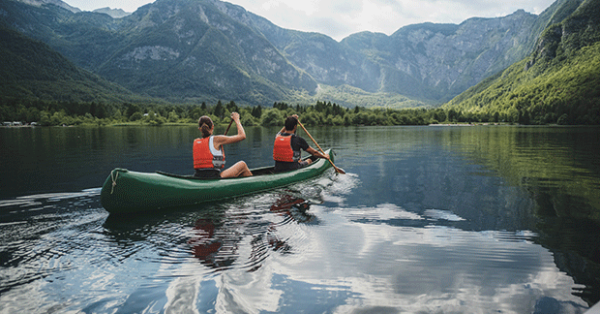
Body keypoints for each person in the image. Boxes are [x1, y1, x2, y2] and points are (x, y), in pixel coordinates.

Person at [194, 112, 252, 178]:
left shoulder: (196, 142)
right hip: (213, 178)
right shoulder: (216, 139)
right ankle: (253, 185)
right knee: (242, 165)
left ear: (199, 129)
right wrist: (237, 120)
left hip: (198, 176)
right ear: (212, 127)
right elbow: (242, 136)